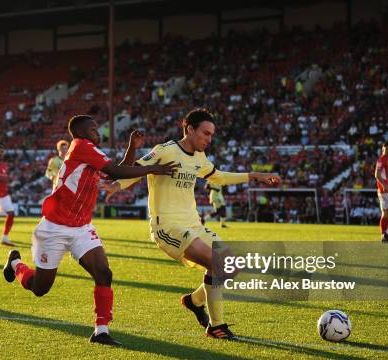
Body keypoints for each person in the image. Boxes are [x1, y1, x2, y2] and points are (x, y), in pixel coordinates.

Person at [104, 108, 280, 340]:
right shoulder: (165, 150)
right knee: (216, 263)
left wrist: (253, 175)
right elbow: (135, 171)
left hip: (193, 225)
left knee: (231, 266)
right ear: (189, 129)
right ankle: (217, 326)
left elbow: (218, 176)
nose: (209, 139)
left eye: (211, 135)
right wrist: (116, 186)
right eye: (205, 133)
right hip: (167, 227)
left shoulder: (199, 158)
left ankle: (194, 301)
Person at [1, 115, 176, 346]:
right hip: (54, 227)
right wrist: (154, 169)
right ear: (82, 132)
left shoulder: (90, 152)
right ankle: (16, 264)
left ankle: (101, 331)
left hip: (81, 227)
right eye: (94, 128)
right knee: (40, 288)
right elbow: (116, 172)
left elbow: (119, 170)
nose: (98, 131)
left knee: (104, 273)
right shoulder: (82, 146)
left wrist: (132, 148)